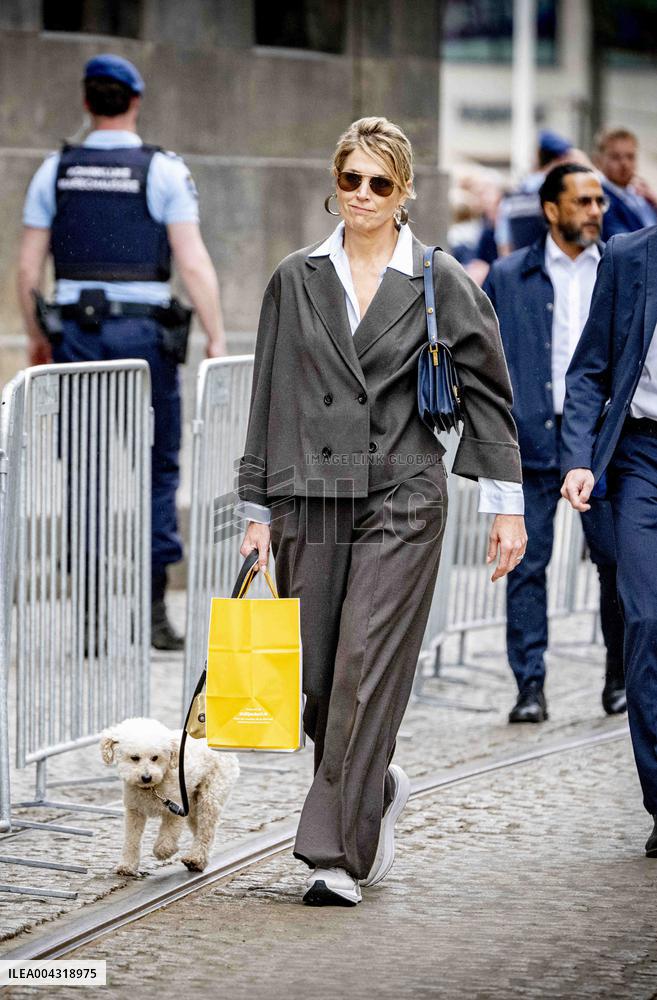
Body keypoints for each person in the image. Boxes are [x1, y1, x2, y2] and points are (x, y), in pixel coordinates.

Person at [236, 117, 527, 906]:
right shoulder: (295, 278)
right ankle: (375, 784)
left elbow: (493, 400)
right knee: (321, 678)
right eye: (350, 179)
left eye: (379, 183)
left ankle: (332, 855)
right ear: (335, 182)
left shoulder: (439, 279)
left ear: (403, 193)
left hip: (403, 493)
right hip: (310, 499)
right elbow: (270, 392)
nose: (361, 195)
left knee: (364, 665)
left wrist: (507, 508)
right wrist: (257, 508)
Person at [17, 54, 226, 650]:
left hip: (77, 338)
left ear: (87, 102)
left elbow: (29, 269)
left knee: (84, 469)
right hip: (145, 342)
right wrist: (215, 334)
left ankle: (87, 622)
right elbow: (192, 260)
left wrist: (36, 333)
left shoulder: (54, 170)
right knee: (157, 466)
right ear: (134, 101)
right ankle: (156, 614)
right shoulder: (162, 170)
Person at [484, 164, 625, 723]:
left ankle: (619, 678)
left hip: (602, 440)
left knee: (618, 565)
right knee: (525, 565)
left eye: (599, 201)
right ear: (550, 210)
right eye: (583, 200)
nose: (595, 210)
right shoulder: (509, 275)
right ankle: (530, 687)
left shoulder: (620, 266)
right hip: (531, 439)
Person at [561, 221, 657, 857]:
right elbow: (589, 369)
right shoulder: (627, 257)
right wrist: (578, 457)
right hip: (641, 455)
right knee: (647, 617)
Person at [495, 129, 575, 256]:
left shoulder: (512, 196)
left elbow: (504, 245)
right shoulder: (563, 193)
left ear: (538, 155)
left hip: (520, 270)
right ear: (562, 159)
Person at [594, 127, 657, 240]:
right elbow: (625, 243)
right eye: (615, 157)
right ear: (599, 160)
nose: (624, 163)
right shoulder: (599, 197)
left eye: (630, 157)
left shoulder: (641, 192)